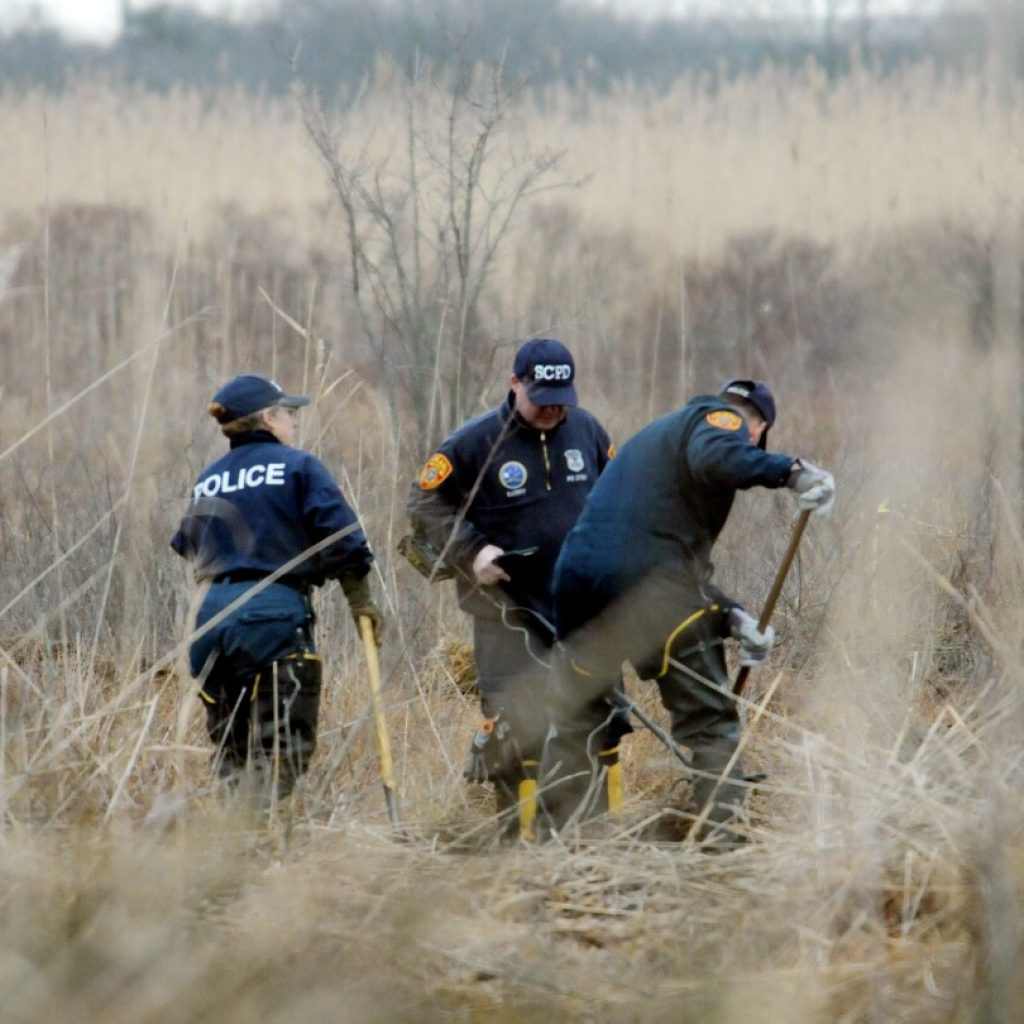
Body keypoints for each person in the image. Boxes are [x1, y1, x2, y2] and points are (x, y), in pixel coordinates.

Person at [540, 378, 835, 843]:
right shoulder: (719, 419)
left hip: (577, 587)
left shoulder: (656, 440)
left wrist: (733, 618)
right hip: (649, 591)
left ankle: (569, 844)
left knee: (579, 721)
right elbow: (715, 457)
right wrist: (794, 473)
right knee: (710, 722)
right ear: (758, 426)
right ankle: (721, 844)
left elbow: (649, 550)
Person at [406, 338, 615, 839]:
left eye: (560, 396)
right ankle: (514, 849)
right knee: (516, 728)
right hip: (507, 614)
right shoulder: (474, 443)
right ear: (514, 383)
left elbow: (614, 497)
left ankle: (588, 844)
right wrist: (473, 550)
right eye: (539, 395)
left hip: (578, 609)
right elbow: (424, 504)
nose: (550, 408)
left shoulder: (586, 430)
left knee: (591, 723)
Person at [171, 373, 383, 800]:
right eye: (289, 413)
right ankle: (272, 847)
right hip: (272, 616)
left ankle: (235, 845)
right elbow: (343, 539)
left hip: (207, 618)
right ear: (267, 418)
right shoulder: (299, 465)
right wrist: (361, 602)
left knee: (232, 750)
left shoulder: (208, 478)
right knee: (280, 748)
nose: (295, 421)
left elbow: (186, 545)